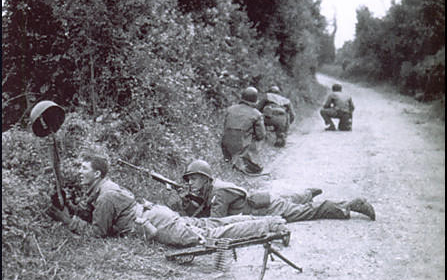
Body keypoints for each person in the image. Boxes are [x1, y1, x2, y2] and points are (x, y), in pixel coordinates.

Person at [47, 154, 288, 247]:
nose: (79, 171)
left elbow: (96, 232)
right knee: (211, 225)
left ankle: (270, 225)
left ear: (97, 174)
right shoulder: (104, 190)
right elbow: (91, 213)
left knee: (211, 236)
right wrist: (70, 208)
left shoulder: (107, 195)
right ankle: (268, 220)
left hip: (157, 222)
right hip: (156, 215)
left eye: (84, 168)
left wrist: (68, 221)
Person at [180, 159, 376, 223]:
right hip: (261, 202)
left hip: (266, 208)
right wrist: (190, 201)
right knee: (291, 200)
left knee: (306, 212)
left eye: (194, 178)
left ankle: (348, 205)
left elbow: (216, 223)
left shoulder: (217, 193)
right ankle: (305, 193)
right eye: (189, 179)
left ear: (205, 178)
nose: (190, 183)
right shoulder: (213, 188)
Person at [221, 86, 266, 174]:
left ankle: (230, 163)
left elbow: (225, 126)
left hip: (225, 143)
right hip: (242, 145)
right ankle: (247, 165)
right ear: (255, 100)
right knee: (256, 168)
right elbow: (261, 135)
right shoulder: (256, 114)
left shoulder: (230, 109)